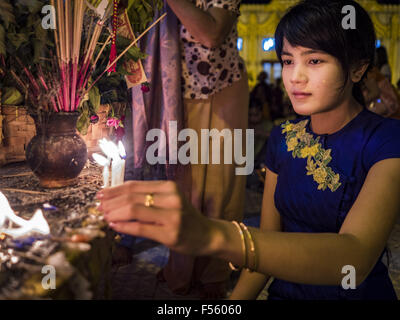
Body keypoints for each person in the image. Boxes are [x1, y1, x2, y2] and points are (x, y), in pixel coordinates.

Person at [98, 0, 400, 300]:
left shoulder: (386, 140)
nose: (296, 77)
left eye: (315, 61)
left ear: (358, 69)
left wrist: (212, 234)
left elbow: (354, 257)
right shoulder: (284, 138)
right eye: (288, 60)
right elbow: (266, 248)